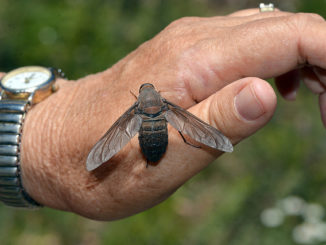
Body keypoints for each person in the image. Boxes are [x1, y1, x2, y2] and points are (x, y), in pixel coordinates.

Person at [11, 8, 326, 220]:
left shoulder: (131, 113)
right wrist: (41, 138)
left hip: (148, 138)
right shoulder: (167, 106)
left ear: (138, 101)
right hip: (159, 134)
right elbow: (191, 127)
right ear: (159, 99)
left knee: (150, 138)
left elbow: (115, 137)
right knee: (192, 131)